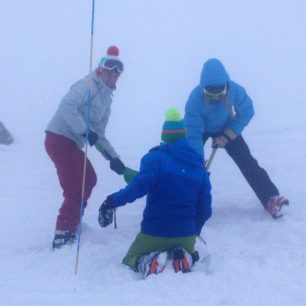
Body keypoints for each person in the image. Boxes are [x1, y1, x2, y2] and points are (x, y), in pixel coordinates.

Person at [98, 108, 212, 278]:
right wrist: (194, 230)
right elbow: (205, 207)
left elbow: (140, 186)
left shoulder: (154, 159)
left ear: (164, 136)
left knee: (129, 258)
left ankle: (146, 262)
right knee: (187, 248)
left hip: (155, 232)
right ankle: (186, 255)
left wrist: (112, 201)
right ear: (184, 136)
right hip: (186, 235)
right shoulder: (198, 168)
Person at [184, 58, 289, 219]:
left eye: (220, 93)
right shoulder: (194, 100)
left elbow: (247, 111)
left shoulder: (235, 90)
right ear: (203, 88)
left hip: (227, 128)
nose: (216, 98)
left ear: (226, 86)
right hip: (202, 129)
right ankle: (184, 200)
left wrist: (228, 135)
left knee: (247, 161)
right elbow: (193, 134)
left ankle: (270, 198)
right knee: (190, 162)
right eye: (211, 94)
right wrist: (198, 161)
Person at [45, 46, 127, 249]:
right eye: (109, 70)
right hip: (59, 138)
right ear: (101, 69)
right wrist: (84, 130)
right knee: (77, 184)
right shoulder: (87, 85)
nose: (113, 75)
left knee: (89, 178)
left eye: (117, 72)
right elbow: (66, 107)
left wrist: (114, 158)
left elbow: (98, 134)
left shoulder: (106, 100)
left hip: (71, 143)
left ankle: (73, 224)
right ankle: (64, 233)